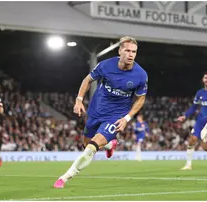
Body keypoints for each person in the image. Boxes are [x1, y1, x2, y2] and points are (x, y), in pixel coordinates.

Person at [54, 36, 148, 188]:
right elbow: (87, 80)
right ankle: (110, 145)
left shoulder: (141, 75)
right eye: (127, 51)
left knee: (91, 148)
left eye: (134, 52)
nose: (131, 54)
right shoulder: (105, 65)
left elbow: (140, 99)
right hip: (96, 111)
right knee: (86, 144)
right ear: (120, 51)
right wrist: (79, 99)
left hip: (116, 116)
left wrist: (127, 118)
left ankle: (65, 177)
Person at [177, 72, 207, 170]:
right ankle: (188, 165)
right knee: (192, 140)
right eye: (205, 78)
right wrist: (185, 116)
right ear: (203, 79)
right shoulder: (200, 93)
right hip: (201, 120)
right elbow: (194, 107)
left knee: (205, 146)